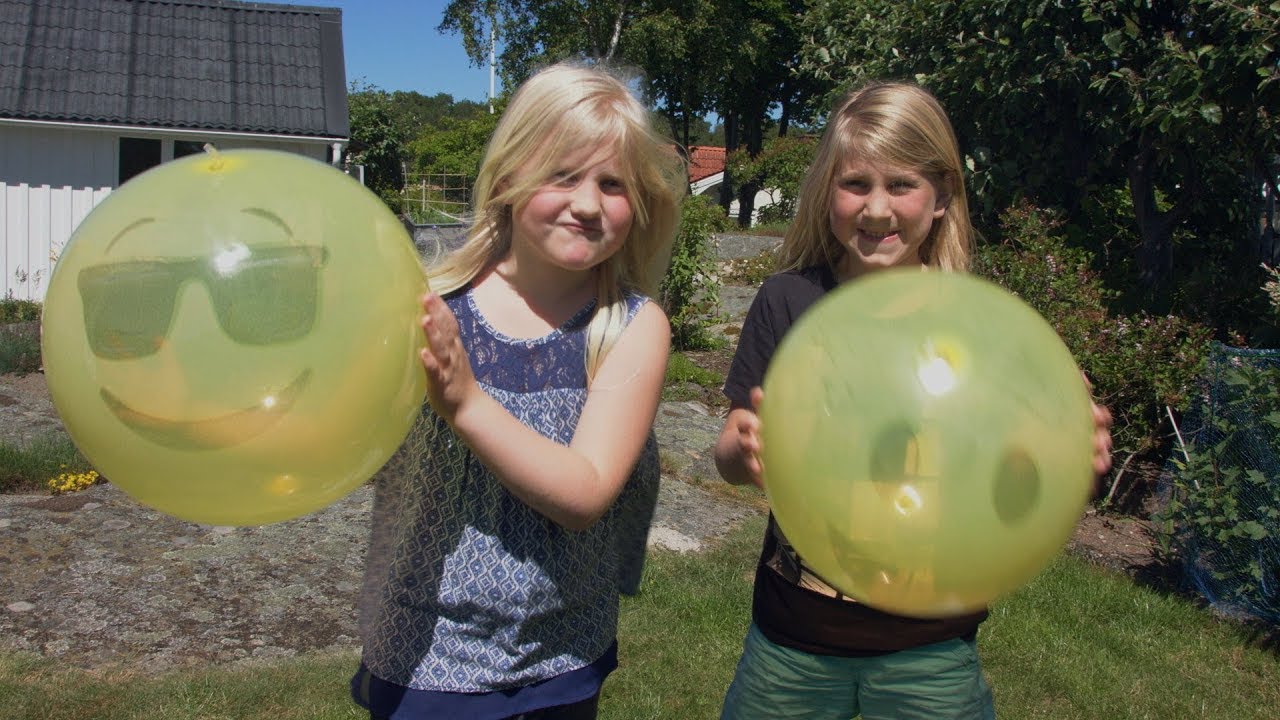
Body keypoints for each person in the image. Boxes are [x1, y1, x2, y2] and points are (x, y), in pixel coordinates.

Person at [712, 82, 1114, 720]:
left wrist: (1071, 461)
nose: (876, 209)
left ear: (943, 198)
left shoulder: (983, 326)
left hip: (928, 646)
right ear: (827, 193)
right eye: (855, 185)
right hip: (794, 639)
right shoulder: (788, 300)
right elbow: (731, 451)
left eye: (901, 185)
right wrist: (744, 447)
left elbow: (1015, 472)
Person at [352, 62, 686, 720]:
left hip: (557, 660)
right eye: (562, 175)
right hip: (423, 651)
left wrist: (468, 406)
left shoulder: (631, 327)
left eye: (612, 184)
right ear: (507, 178)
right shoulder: (424, 309)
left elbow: (586, 492)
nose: (587, 204)